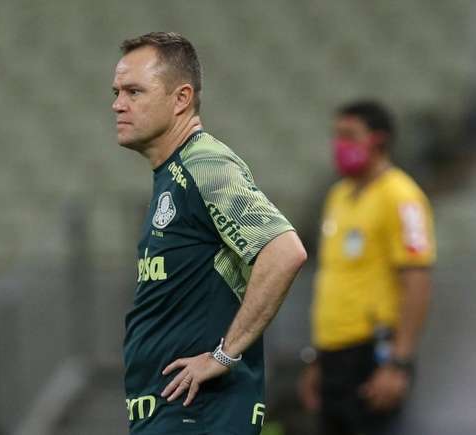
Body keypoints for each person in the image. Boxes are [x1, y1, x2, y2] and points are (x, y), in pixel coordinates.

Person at [113, 32, 307, 435]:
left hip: (199, 414)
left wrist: (222, 356)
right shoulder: (173, 174)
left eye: (134, 91)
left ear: (181, 98)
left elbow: (284, 251)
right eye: (116, 92)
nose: (118, 105)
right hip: (175, 412)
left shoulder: (206, 164)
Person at [298, 101, 436, 435]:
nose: (339, 144)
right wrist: (318, 359)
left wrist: (398, 363)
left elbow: (417, 280)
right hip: (333, 356)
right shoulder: (338, 196)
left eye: (348, 135)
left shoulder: (401, 197)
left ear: (378, 140)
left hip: (371, 356)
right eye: (336, 135)